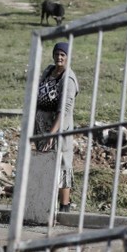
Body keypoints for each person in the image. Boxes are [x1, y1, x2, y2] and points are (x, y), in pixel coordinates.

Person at [33, 41, 78, 210]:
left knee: (62, 165)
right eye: (57, 54)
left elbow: (64, 110)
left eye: (63, 55)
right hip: (41, 126)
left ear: (67, 57)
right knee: (45, 162)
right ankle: (44, 203)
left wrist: (52, 134)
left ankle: (64, 206)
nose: (59, 57)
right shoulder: (48, 70)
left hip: (58, 129)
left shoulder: (69, 79)